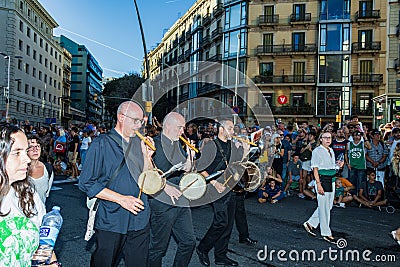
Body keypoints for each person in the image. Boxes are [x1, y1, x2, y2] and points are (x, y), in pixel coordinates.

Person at [79, 101, 154, 267]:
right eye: (136, 120)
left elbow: (148, 181)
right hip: (112, 219)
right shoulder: (101, 143)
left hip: (139, 220)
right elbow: (86, 183)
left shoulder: (139, 144)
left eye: (141, 121)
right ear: (121, 117)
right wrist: (122, 199)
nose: (139, 125)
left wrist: (147, 157)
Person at [0, 125, 59, 266]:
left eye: (25, 152)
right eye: (16, 153)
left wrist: (52, 264)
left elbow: (44, 241)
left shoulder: (29, 194)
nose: (27, 159)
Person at [195, 119, 248, 266]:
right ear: (221, 130)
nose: (233, 131)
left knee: (228, 224)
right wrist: (214, 183)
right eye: (230, 128)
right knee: (221, 221)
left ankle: (220, 256)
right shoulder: (211, 146)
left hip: (230, 187)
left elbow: (238, 164)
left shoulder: (232, 145)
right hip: (215, 188)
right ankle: (202, 248)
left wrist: (245, 150)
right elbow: (200, 168)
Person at [148, 112, 196, 267]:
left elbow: (186, 170)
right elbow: (146, 175)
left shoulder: (178, 144)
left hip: (181, 200)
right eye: (180, 127)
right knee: (158, 249)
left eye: (183, 128)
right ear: (168, 126)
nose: (183, 131)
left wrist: (190, 158)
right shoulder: (153, 144)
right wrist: (165, 187)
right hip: (161, 202)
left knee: (189, 242)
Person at [303, 132, 343, 244]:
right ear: (321, 139)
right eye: (325, 138)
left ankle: (311, 223)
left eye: (330, 138)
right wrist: (318, 184)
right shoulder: (317, 151)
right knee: (324, 207)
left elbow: (331, 166)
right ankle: (326, 233)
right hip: (322, 180)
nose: (328, 140)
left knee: (328, 206)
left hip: (332, 180)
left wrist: (338, 165)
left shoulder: (331, 150)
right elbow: (315, 168)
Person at [27, 135, 54, 204]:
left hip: (40, 213)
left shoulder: (48, 169)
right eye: (30, 147)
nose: (35, 149)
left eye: (38, 146)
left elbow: (45, 195)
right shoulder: (18, 170)